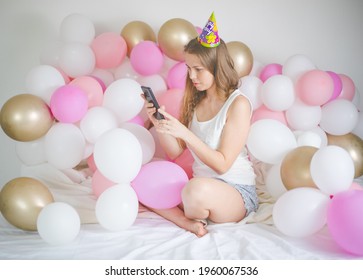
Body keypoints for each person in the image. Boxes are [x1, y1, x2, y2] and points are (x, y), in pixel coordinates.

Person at [143, 12, 258, 237]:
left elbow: (222, 165)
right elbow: (176, 152)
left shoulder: (238, 104)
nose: (192, 76)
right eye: (188, 68)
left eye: (198, 69)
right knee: (144, 181)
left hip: (236, 191)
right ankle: (187, 221)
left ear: (216, 67)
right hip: (201, 187)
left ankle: (184, 216)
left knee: (194, 190)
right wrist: (160, 125)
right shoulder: (196, 100)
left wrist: (185, 133)